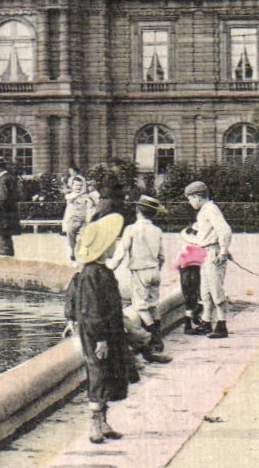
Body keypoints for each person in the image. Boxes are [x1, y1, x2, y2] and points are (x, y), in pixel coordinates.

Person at [65, 188, 131, 444]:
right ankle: (95, 423)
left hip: (105, 331)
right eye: (112, 242)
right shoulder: (94, 274)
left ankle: (103, 420)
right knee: (98, 373)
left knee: (106, 372)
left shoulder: (96, 271)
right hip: (98, 333)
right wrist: (101, 338)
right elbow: (92, 309)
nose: (115, 244)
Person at [108, 194, 172, 364]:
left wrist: (109, 268)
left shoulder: (131, 229)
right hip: (154, 270)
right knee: (153, 304)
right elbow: (162, 256)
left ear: (137, 210)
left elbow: (120, 253)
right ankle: (157, 335)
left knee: (140, 306)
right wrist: (157, 269)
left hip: (140, 272)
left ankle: (154, 338)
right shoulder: (157, 230)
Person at [182, 180, 232, 338]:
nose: (190, 202)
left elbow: (225, 230)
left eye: (190, 199)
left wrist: (223, 251)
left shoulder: (210, 209)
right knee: (205, 290)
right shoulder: (205, 210)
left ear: (198, 197)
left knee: (216, 289)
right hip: (205, 252)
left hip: (212, 253)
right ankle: (206, 321)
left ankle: (222, 324)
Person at [0, 156, 21, 258]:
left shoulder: (3, 180)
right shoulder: (7, 178)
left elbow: (1, 199)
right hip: (6, 215)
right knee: (5, 241)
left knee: (3, 243)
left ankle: (6, 263)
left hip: (2, 216)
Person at [60, 171, 99, 262]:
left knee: (82, 237)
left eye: (80, 185)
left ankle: (81, 253)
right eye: (76, 185)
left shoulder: (85, 196)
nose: (78, 187)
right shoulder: (69, 195)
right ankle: (72, 251)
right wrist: (80, 194)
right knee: (71, 237)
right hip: (72, 220)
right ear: (72, 186)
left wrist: (91, 199)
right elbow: (69, 199)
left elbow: (93, 204)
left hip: (82, 220)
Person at [175, 242, 207, 334]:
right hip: (196, 272)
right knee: (200, 297)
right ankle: (195, 316)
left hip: (185, 272)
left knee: (189, 300)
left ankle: (188, 323)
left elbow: (177, 263)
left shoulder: (184, 247)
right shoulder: (203, 246)